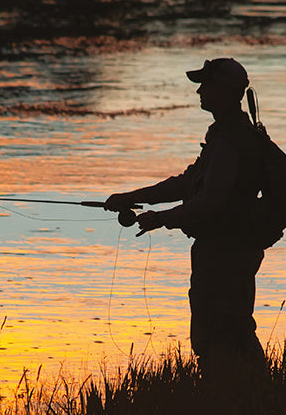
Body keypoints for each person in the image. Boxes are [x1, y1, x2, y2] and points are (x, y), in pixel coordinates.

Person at [104, 58, 267, 375]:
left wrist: (160, 218)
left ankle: (239, 396)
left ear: (224, 91)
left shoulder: (231, 142)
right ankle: (252, 393)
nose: (200, 92)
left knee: (221, 331)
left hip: (226, 250)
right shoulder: (225, 137)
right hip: (227, 248)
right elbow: (186, 183)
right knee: (231, 328)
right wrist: (131, 197)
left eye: (206, 85)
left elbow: (209, 203)